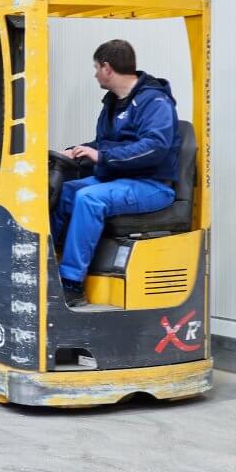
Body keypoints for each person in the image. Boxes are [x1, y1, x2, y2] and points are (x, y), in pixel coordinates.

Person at [54, 39, 180, 306]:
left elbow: (154, 148)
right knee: (65, 190)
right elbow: (103, 144)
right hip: (118, 179)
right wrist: (74, 151)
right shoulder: (113, 103)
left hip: (152, 185)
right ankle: (47, 263)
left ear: (107, 68)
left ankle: (72, 283)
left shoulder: (155, 102)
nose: (95, 73)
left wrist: (102, 157)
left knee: (89, 198)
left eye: (96, 67)